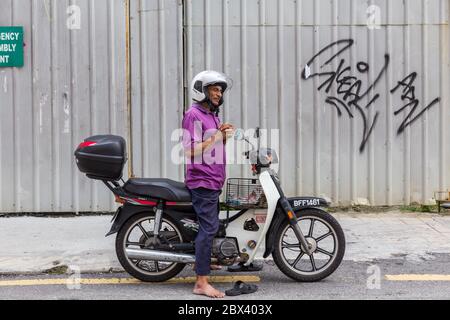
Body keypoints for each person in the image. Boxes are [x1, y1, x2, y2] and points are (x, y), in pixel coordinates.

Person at [182, 71, 234, 298]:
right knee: (209, 228)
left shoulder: (211, 115)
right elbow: (190, 150)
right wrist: (215, 138)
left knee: (210, 226)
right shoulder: (193, 115)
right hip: (202, 181)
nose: (218, 93)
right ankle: (201, 283)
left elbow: (212, 143)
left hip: (213, 180)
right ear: (201, 90)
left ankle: (201, 261)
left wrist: (223, 133)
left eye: (220, 90)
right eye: (214, 88)